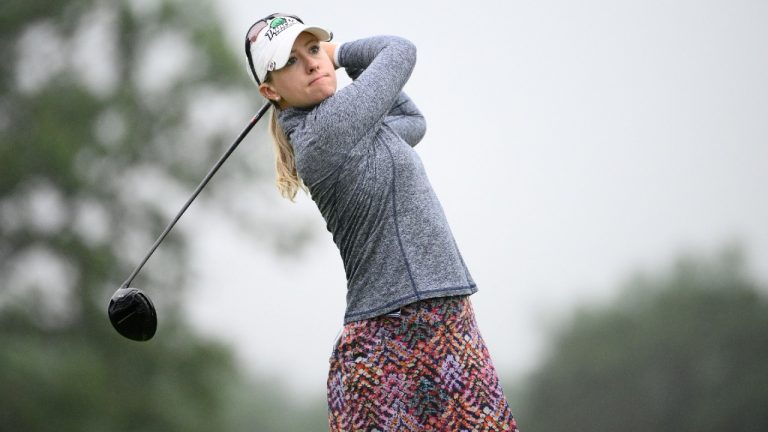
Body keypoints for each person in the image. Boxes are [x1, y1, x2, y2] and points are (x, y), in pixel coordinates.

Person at [245, 13, 520, 431]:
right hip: (397, 333)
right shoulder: (324, 134)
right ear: (270, 90)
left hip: (440, 318)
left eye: (313, 49)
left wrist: (324, 62)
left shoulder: (351, 129)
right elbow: (399, 50)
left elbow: (413, 122)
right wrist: (337, 54)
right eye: (290, 61)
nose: (312, 63)